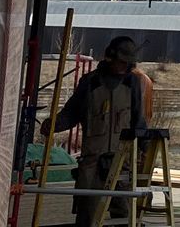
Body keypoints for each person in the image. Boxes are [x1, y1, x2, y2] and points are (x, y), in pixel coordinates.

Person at [43, 35, 146, 227]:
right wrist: (54, 125)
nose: (124, 67)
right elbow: (72, 112)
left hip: (121, 162)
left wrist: (144, 151)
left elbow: (139, 121)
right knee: (87, 213)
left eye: (127, 63)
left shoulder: (133, 84)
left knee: (124, 214)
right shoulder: (90, 83)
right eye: (121, 62)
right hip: (93, 162)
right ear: (110, 57)